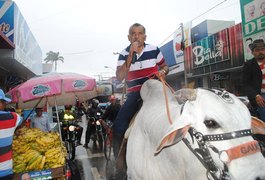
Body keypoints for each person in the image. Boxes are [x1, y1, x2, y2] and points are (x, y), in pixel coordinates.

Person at [112, 23, 169, 177]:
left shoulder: (154, 49)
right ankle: (119, 164)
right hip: (135, 93)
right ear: (129, 37)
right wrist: (130, 56)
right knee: (118, 126)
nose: (136, 36)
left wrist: (163, 71)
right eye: (133, 33)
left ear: (145, 36)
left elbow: (165, 66)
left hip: (154, 89)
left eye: (140, 33)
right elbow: (119, 77)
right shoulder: (124, 53)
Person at [0, 89, 23, 179]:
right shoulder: (12, 117)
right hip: (6, 172)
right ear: (1, 103)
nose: (6, 104)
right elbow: (21, 122)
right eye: (4, 102)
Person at [242, 39, 265, 121]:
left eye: (262, 49)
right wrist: (256, 95)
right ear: (252, 52)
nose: (260, 52)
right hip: (261, 97)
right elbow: (245, 84)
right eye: (257, 50)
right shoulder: (249, 65)